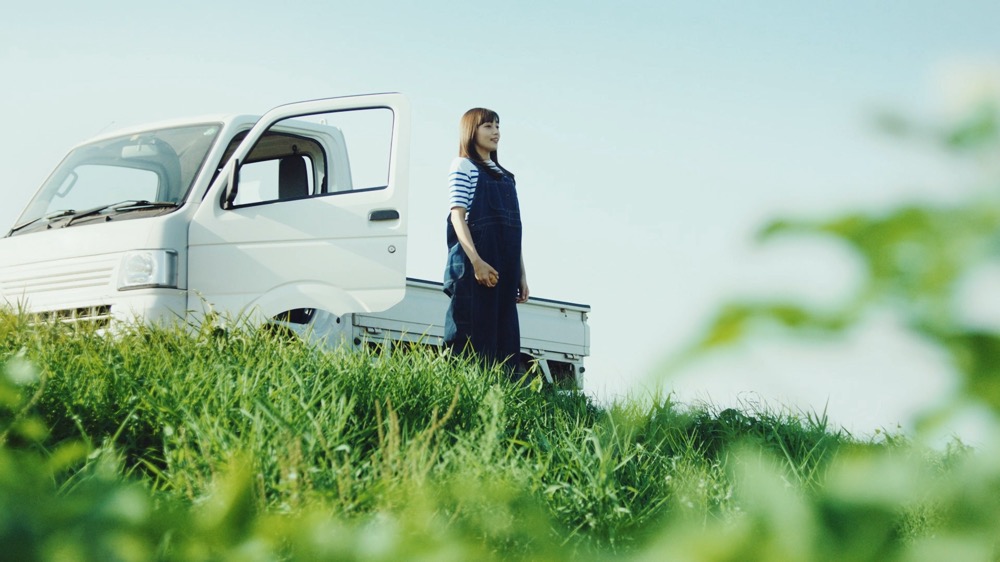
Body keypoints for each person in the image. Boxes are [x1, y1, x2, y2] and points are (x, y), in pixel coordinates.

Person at [443, 108, 529, 371]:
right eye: (488, 126)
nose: (496, 132)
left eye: (498, 126)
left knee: (505, 347)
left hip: (505, 270)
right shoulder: (463, 166)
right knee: (469, 343)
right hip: (474, 268)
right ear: (471, 131)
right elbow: (457, 217)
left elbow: (513, 231)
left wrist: (521, 274)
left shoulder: (507, 177)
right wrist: (477, 262)